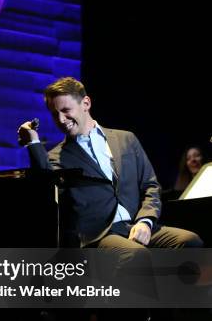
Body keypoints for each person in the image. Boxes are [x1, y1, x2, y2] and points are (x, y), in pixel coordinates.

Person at [18, 76, 202, 252]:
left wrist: (145, 221)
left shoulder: (126, 139)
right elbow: (44, 187)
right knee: (135, 254)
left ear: (86, 104)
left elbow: (151, 186)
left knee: (190, 242)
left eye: (66, 110)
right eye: (54, 114)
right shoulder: (56, 157)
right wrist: (33, 143)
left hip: (136, 225)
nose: (61, 119)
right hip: (99, 235)